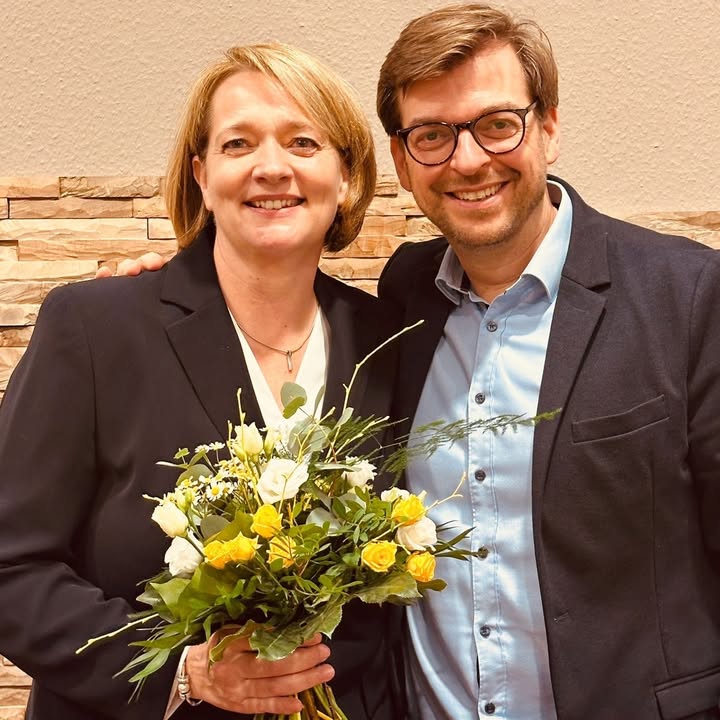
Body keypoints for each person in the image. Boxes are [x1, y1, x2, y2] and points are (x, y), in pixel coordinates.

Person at [100, 4, 720, 718]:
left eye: (498, 124)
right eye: (432, 135)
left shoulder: (686, 296)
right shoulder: (403, 302)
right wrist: (165, 291)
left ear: (549, 126)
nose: (468, 160)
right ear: (400, 159)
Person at [0, 43, 403, 719]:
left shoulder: (390, 340)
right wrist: (184, 673)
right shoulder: (97, 328)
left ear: (346, 176)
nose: (271, 167)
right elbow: (11, 566)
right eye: (238, 143)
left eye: (303, 142)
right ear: (203, 176)